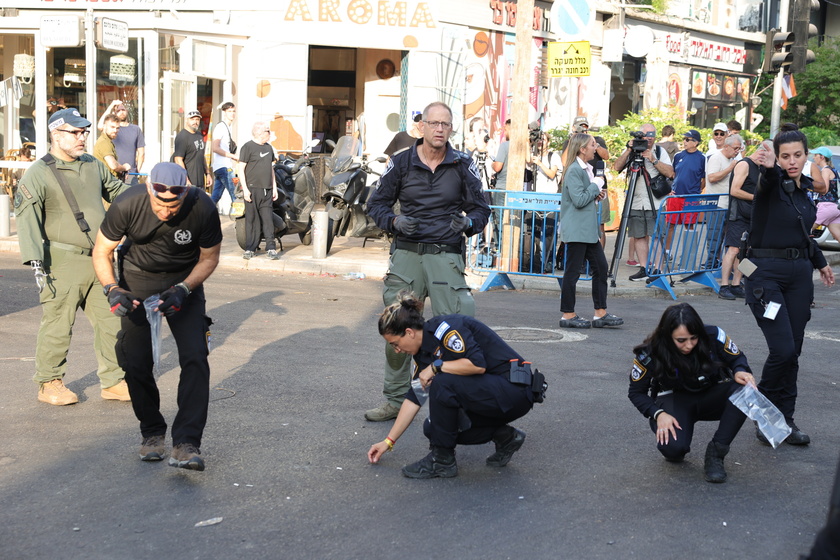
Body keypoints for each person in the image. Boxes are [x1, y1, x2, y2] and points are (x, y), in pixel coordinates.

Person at [363, 101, 490, 422]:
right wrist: (393, 222)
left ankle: (458, 404)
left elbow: (481, 209)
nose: (438, 130)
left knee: (456, 330)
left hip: (445, 255)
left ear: (451, 129)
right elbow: (375, 203)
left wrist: (469, 224)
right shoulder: (401, 162)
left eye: (445, 125)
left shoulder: (463, 163)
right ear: (422, 127)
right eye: (433, 123)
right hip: (406, 255)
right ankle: (394, 400)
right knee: (398, 329)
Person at [91, 162, 222, 470]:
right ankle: (152, 433)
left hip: (183, 282)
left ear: (185, 192)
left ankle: (186, 443)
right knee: (134, 360)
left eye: (173, 206)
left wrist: (184, 290)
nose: (166, 212)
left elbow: (210, 257)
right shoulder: (127, 204)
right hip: (137, 279)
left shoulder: (202, 207)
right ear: (149, 189)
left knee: (195, 357)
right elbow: (101, 251)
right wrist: (112, 289)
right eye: (160, 205)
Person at [14, 108, 131, 405]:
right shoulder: (39, 173)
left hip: (99, 259)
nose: (82, 138)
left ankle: (114, 380)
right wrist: (36, 262)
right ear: (56, 134)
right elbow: (26, 219)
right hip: (61, 261)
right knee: (58, 325)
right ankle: (49, 382)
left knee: (112, 321)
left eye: (84, 132)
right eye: (75, 132)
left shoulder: (92, 164)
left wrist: (148, 197)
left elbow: (118, 191)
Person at [367, 292, 542, 478]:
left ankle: (442, 461)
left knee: (442, 382)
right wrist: (388, 442)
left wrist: (436, 367)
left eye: (395, 344)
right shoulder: (423, 353)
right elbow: (415, 397)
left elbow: (478, 365)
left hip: (514, 390)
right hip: (492, 395)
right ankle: (506, 437)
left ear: (409, 332)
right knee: (434, 428)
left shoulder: (447, 329)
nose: (397, 350)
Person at [745, 123, 834, 445]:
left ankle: (786, 420)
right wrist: (768, 169)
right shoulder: (769, 184)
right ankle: (763, 412)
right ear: (778, 159)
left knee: (792, 353)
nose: (792, 161)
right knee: (781, 350)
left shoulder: (803, 191)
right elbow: (767, 180)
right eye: (786, 156)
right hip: (764, 276)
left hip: (799, 277)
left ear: (806, 156)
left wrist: (821, 263)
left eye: (798, 155)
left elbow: (802, 234)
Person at [628, 302, 756, 483]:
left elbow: (737, 358)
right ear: (667, 335)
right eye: (681, 340)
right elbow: (636, 392)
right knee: (673, 450)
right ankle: (668, 426)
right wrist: (658, 414)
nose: (689, 345)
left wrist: (741, 370)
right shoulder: (650, 352)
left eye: (693, 338)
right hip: (675, 400)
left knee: (745, 390)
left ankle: (716, 454)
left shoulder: (713, 335)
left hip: (711, 394)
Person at [558, 133, 623, 329]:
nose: (596, 148)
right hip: (578, 229)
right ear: (582, 149)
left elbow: (583, 197)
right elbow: (578, 200)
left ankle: (600, 313)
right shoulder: (574, 170)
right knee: (572, 273)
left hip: (586, 230)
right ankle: (568, 315)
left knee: (601, 268)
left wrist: (596, 193)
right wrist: (595, 186)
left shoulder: (584, 168)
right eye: (592, 145)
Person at [612, 123, 674, 282]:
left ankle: (658, 270)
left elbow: (670, 173)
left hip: (655, 201)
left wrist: (653, 160)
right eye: (646, 135)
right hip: (636, 200)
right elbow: (616, 167)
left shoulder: (660, 151)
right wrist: (628, 150)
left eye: (652, 135)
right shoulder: (632, 150)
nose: (649, 139)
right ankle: (644, 268)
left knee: (656, 235)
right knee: (638, 235)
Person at [720, 141, 774, 302]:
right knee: (734, 250)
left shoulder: (760, 168)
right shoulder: (744, 164)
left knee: (747, 252)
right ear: (761, 152)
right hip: (738, 216)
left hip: (753, 216)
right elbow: (734, 190)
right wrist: (758, 199)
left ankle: (737, 284)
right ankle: (724, 286)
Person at [704, 133, 743, 281]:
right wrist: (730, 168)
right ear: (726, 146)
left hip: (729, 205)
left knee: (729, 239)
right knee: (714, 238)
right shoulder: (716, 157)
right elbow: (712, 177)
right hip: (717, 205)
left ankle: (723, 267)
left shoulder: (734, 159)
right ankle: (710, 267)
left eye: (739, 149)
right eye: (735, 148)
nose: (737, 151)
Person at [237, 121, 279, 260]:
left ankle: (271, 248)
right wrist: (245, 190)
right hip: (252, 189)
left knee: (268, 220)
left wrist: (274, 188)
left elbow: (270, 169)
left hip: (266, 190)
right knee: (252, 220)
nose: (270, 133)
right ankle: (250, 248)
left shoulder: (269, 148)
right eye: (268, 131)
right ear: (260, 133)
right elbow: (241, 169)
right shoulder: (247, 147)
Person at [526, 132, 561, 272]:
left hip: (550, 200)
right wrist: (528, 143)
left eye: (543, 140)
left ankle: (548, 262)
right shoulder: (533, 156)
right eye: (539, 140)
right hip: (535, 199)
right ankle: (534, 261)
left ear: (549, 142)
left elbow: (552, 174)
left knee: (548, 234)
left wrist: (539, 163)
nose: (541, 142)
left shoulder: (554, 156)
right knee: (534, 233)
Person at [98, 100, 145, 184]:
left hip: (130, 173)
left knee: (131, 195)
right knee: (116, 196)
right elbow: (100, 126)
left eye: (123, 109)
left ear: (127, 111)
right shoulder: (113, 130)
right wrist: (111, 105)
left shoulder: (136, 129)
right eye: (118, 110)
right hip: (114, 172)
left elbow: (141, 153)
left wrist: (137, 171)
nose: (121, 112)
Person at [173, 109, 212, 190]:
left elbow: (201, 155)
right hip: (188, 182)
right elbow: (178, 159)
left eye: (197, 119)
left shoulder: (199, 135)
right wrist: (186, 179)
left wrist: (207, 173)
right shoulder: (182, 137)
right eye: (192, 119)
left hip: (200, 181)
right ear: (186, 120)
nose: (195, 122)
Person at [211, 102, 239, 208]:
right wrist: (234, 156)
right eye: (229, 111)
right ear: (224, 112)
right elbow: (215, 148)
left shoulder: (227, 127)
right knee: (235, 196)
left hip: (221, 167)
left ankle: (204, 217)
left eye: (233, 111)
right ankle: (240, 223)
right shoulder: (221, 127)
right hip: (224, 168)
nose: (232, 114)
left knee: (215, 197)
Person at [810, 146, 840, 245]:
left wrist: (808, 186)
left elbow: (824, 190)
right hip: (835, 207)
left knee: (806, 228)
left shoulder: (825, 171)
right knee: (836, 232)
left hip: (826, 206)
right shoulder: (834, 170)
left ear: (822, 157)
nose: (814, 158)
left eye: (816, 155)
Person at [93, 113, 131, 179]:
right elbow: (113, 166)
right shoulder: (104, 142)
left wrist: (121, 171)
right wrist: (124, 167)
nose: (115, 130)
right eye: (112, 127)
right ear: (104, 126)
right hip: (107, 185)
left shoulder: (107, 141)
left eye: (117, 128)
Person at [490, 118, 511, 206]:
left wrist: (492, 164)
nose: (505, 133)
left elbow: (497, 167)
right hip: (517, 190)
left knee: (499, 218)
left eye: (506, 130)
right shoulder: (523, 146)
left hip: (502, 187)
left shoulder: (504, 146)